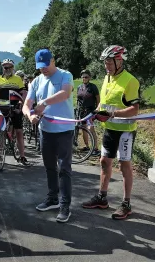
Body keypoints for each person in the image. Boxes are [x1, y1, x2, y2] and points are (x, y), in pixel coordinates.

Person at [81, 45, 140, 220]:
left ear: (120, 61)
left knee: (124, 165)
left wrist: (112, 114)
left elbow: (134, 109)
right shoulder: (107, 77)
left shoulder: (130, 80)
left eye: (109, 62)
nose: (107, 66)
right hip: (110, 129)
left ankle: (126, 203)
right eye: (105, 63)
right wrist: (95, 113)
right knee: (105, 162)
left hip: (125, 131)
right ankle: (102, 197)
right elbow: (104, 103)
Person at [22, 48, 75, 223]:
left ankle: (65, 204)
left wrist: (43, 103)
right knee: (49, 167)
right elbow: (27, 104)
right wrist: (31, 116)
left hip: (65, 130)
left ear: (53, 60)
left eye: (45, 65)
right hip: (45, 131)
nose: (43, 69)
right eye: (40, 67)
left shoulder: (65, 75)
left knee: (64, 169)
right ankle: (52, 198)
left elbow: (65, 93)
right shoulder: (36, 81)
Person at [0, 59, 29, 165]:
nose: (7, 69)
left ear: (12, 68)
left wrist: (22, 104)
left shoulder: (17, 79)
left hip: (15, 108)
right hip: (3, 108)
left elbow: (24, 92)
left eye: (9, 67)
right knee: (0, 131)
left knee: (19, 132)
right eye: (5, 67)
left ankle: (22, 156)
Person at [77, 69, 101, 156]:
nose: (84, 78)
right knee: (83, 129)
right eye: (83, 77)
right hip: (82, 111)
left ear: (89, 77)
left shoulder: (93, 87)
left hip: (90, 111)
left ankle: (95, 148)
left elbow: (98, 99)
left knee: (91, 129)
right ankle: (87, 146)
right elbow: (78, 99)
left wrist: (97, 109)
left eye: (86, 77)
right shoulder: (79, 87)